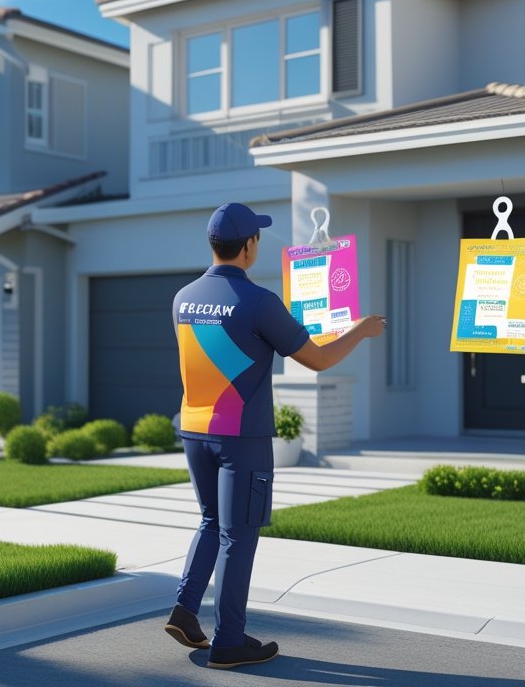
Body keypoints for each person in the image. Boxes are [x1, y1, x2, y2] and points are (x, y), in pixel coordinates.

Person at [163, 202, 385, 669]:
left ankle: (185, 610)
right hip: (240, 435)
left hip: (194, 429)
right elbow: (319, 359)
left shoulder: (183, 298)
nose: (258, 245)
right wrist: (360, 330)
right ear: (248, 246)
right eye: (257, 239)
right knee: (238, 536)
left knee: (210, 521)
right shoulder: (261, 303)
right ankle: (229, 642)